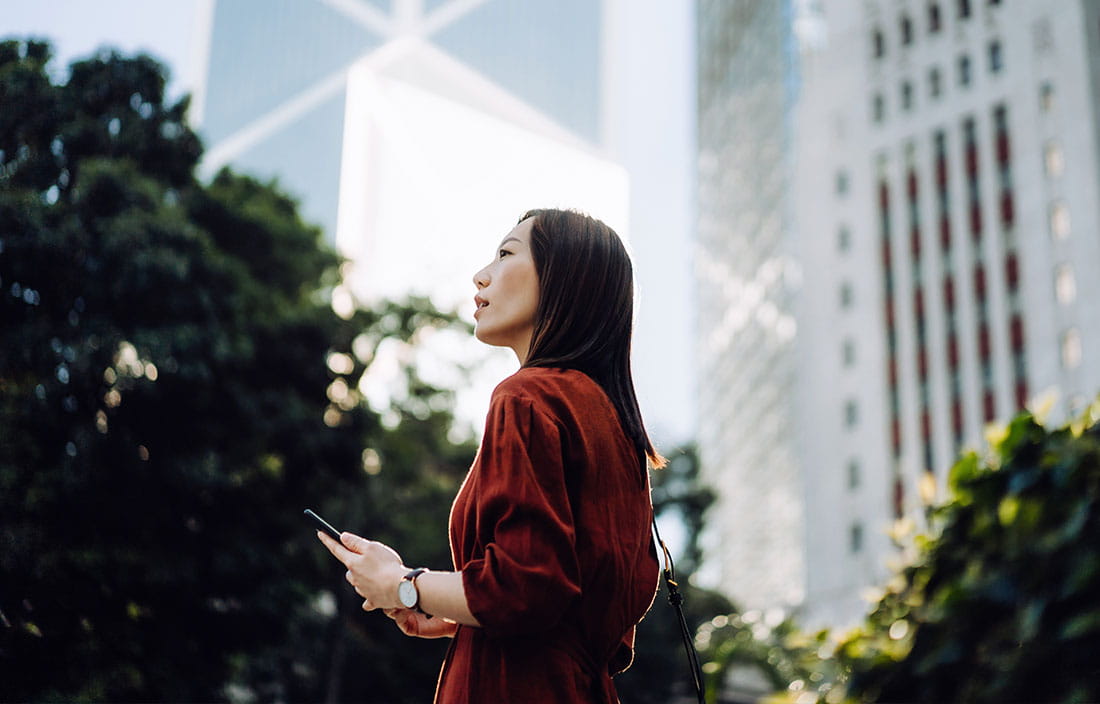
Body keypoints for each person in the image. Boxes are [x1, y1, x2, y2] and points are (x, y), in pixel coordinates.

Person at [318, 208, 664, 703]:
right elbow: (572, 609)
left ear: (565, 278)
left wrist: (402, 584)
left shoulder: (526, 397)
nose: (481, 274)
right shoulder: (617, 431)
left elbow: (525, 589)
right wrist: (460, 611)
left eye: (506, 254)